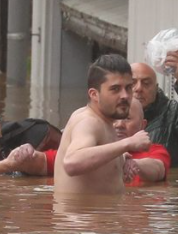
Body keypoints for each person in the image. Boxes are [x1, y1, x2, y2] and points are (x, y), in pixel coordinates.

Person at [54, 54, 151, 195]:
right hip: (83, 217)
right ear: (94, 94)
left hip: (104, 216)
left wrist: (121, 159)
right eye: (115, 89)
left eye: (128, 88)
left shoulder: (105, 122)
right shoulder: (88, 121)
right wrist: (128, 143)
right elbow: (72, 162)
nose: (125, 95)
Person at [113, 98, 171, 187]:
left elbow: (158, 169)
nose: (119, 124)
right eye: (114, 118)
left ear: (142, 125)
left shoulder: (155, 150)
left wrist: (130, 163)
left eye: (127, 118)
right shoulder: (95, 150)